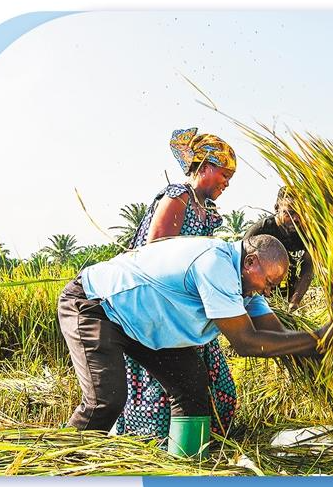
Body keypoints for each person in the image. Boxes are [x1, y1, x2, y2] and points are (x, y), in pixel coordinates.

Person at [58, 234, 333, 432]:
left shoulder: (247, 287)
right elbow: (247, 342)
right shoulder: (215, 263)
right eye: (269, 282)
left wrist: (328, 354)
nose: (268, 291)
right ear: (250, 262)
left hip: (144, 322)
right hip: (97, 304)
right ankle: (61, 473)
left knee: (192, 387)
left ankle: (185, 470)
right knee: (105, 401)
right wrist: (319, 338)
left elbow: (278, 337)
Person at [116, 127, 237, 441]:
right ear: (206, 167)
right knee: (164, 390)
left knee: (216, 385)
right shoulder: (178, 195)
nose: (227, 182)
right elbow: (156, 253)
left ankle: (200, 443)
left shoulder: (207, 213)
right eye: (225, 174)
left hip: (187, 311)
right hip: (162, 310)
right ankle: (155, 450)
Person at [244, 187, 314, 311]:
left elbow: (308, 269)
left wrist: (295, 302)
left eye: (301, 213)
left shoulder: (306, 234)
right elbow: (241, 266)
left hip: (288, 299)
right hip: (259, 300)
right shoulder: (260, 231)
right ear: (277, 208)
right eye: (290, 213)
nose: (296, 219)